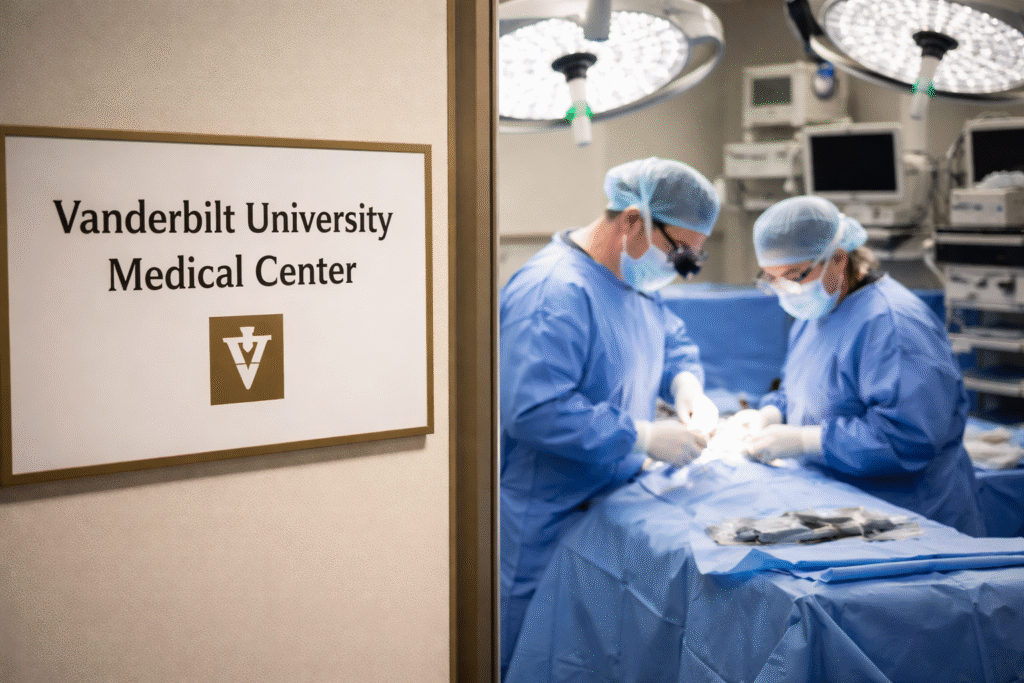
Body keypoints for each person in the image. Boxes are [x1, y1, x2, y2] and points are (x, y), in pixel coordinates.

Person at [499, 157, 721, 675]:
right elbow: (534, 410)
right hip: (544, 524)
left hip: (606, 511)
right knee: (527, 662)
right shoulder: (553, 292)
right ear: (632, 222)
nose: (681, 266)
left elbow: (670, 339)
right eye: (680, 252)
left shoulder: (633, 277)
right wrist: (640, 435)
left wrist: (688, 386)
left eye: (694, 256)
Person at [733, 195, 985, 536]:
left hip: (910, 522)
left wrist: (807, 441)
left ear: (838, 259)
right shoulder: (817, 311)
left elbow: (909, 438)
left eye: (793, 275)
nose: (784, 289)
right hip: (844, 509)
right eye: (771, 278)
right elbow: (802, 387)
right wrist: (768, 415)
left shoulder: (894, 326)